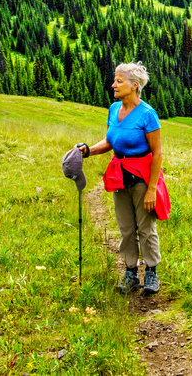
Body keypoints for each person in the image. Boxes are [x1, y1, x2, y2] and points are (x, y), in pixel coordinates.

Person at [77, 62, 164, 296]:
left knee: (145, 227)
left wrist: (151, 189)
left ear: (134, 86)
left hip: (142, 177)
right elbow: (109, 141)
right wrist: (88, 150)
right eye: (114, 80)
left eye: (119, 81)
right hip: (120, 176)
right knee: (126, 228)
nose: (113, 84)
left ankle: (152, 274)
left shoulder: (147, 114)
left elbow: (157, 153)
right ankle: (130, 274)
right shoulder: (114, 109)